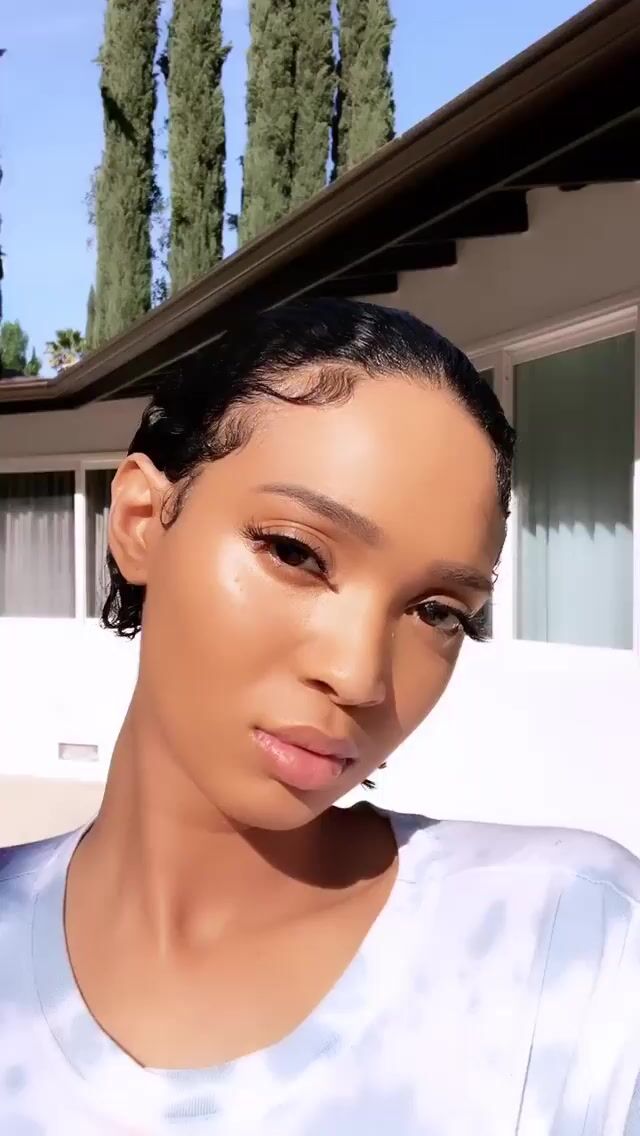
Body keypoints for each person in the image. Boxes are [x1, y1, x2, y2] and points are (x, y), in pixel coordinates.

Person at [2, 298, 640, 1135]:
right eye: (296, 552)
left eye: (438, 611)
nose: (358, 675)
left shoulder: (571, 948)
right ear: (141, 522)